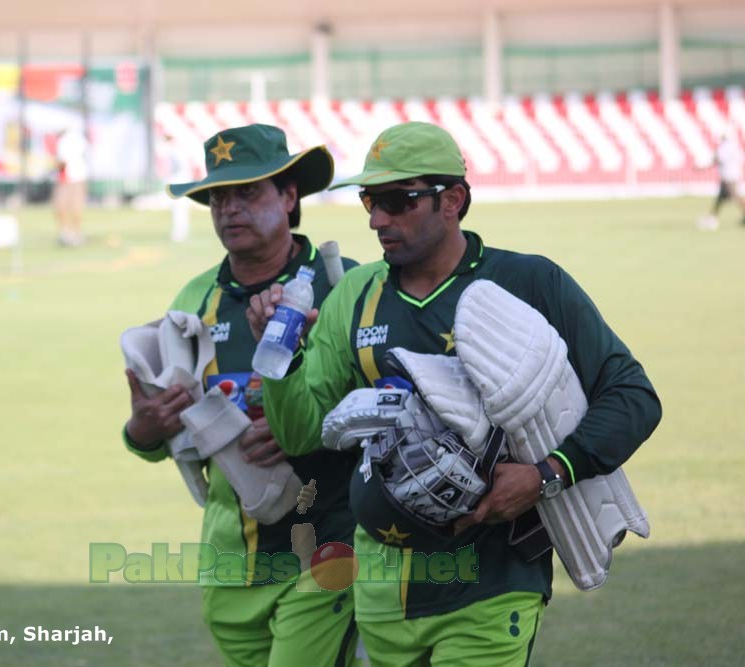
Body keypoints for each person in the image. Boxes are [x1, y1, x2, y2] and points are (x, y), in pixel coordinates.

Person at [246, 122, 662, 666]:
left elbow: (633, 395)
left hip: (491, 587)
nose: (377, 219)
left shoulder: (527, 280)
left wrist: (546, 474)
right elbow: (301, 434)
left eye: (397, 200)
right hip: (380, 593)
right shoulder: (356, 294)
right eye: (370, 200)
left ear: (454, 200)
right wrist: (278, 359)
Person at [122, 124, 360, 666]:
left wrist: (302, 426)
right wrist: (144, 429)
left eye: (248, 191)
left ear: (290, 195)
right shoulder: (193, 300)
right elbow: (161, 437)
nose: (230, 208)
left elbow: (392, 404)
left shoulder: (345, 283)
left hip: (331, 541)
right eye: (218, 197)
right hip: (232, 558)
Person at [699, 132, 745, 230]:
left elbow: (718, 159)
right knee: (721, 198)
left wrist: (702, 167)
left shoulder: (725, 147)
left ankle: (712, 217)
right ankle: (712, 217)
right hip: (731, 175)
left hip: (729, 176)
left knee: (736, 197)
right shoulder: (734, 146)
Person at [53, 126, 89, 246]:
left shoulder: (64, 141)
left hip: (69, 175)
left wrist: (55, 167)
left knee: (65, 203)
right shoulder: (78, 137)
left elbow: (62, 162)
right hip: (78, 174)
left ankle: (68, 233)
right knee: (75, 204)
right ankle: (74, 233)